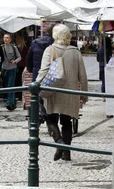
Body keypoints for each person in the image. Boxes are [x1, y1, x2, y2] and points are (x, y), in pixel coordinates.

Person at [36, 24, 88, 162]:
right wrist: (84, 94)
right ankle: (67, 153)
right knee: (67, 121)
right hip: (70, 91)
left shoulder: (50, 50)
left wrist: (36, 84)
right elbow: (83, 76)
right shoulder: (76, 52)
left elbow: (44, 70)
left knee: (50, 118)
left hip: (53, 90)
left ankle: (59, 142)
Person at [1, 33, 21, 111]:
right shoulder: (1, 48)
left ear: (10, 39)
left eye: (7, 38)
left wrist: (15, 61)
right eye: (4, 37)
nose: (5, 39)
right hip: (4, 68)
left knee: (10, 85)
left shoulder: (14, 47)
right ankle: (13, 102)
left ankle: (10, 102)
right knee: (7, 86)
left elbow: (19, 57)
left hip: (12, 68)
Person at [14, 36, 29, 101]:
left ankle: (20, 95)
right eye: (16, 41)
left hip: (22, 66)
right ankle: (18, 94)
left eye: (19, 40)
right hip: (17, 66)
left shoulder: (25, 48)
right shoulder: (16, 48)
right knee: (17, 80)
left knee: (21, 80)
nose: (17, 42)